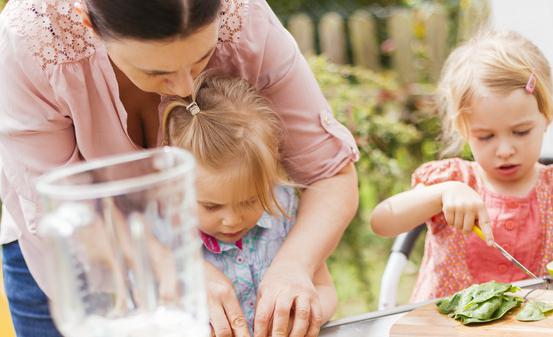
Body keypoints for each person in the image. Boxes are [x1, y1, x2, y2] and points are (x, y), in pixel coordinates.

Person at [0, 1, 359, 336]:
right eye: (157, 71)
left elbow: (329, 172)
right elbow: (63, 211)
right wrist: (175, 270)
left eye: (203, 57)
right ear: (88, 25)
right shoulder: (32, 42)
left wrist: (294, 265)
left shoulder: (244, 17)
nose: (185, 88)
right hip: (82, 268)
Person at [370, 30, 553, 302]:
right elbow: (381, 222)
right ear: (463, 129)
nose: (504, 150)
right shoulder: (453, 179)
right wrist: (441, 193)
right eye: (486, 136)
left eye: (521, 132)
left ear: (546, 117)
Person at [162, 72, 338, 336]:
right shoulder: (169, 239)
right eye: (211, 206)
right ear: (176, 191)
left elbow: (324, 289)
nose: (232, 219)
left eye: (249, 200)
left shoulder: (283, 211)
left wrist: (304, 317)